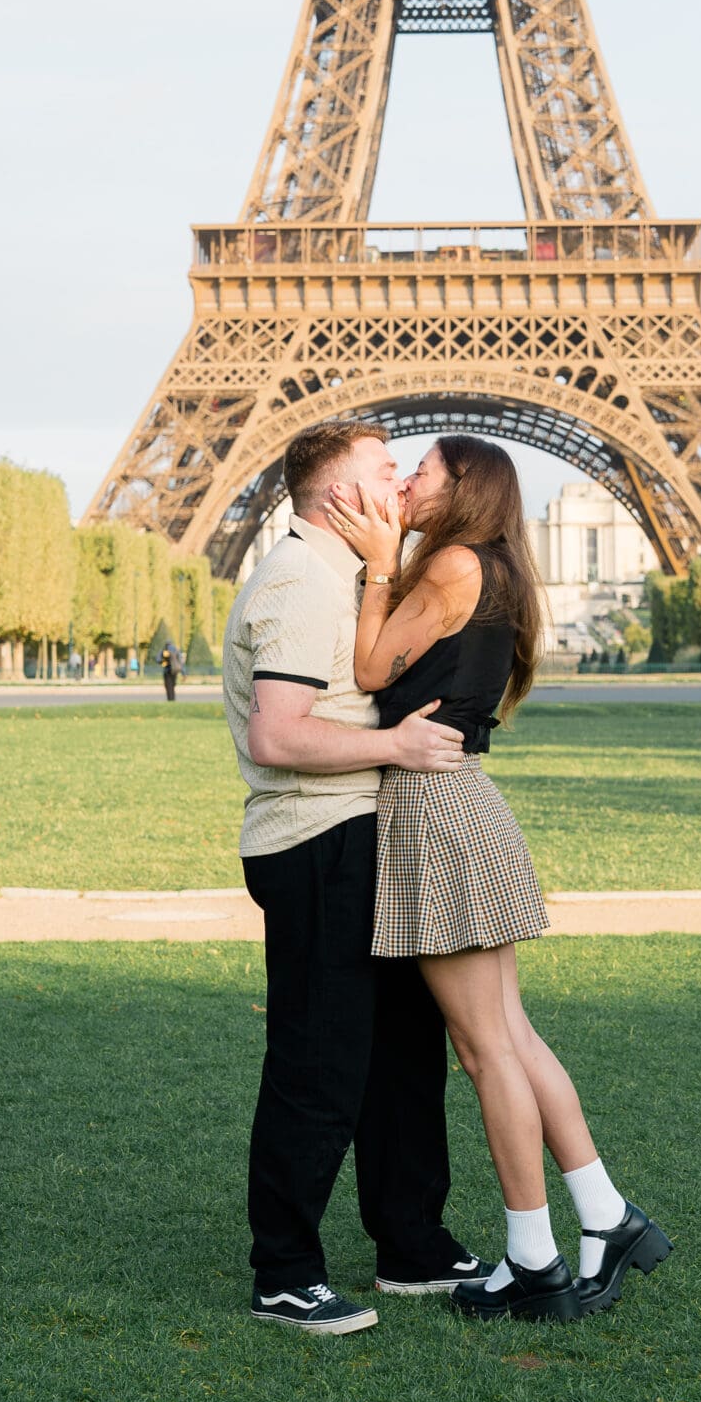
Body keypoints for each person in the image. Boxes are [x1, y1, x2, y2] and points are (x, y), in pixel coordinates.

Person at [329, 436, 673, 1324]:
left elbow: (371, 672)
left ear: (462, 489)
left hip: (431, 809)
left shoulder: (444, 563)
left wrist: (377, 568)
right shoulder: (500, 568)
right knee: (511, 1037)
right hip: (468, 803)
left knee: (485, 1051)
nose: (405, 482)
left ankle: (533, 1259)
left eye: (422, 473)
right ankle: (605, 1216)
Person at [221, 419, 489, 1336]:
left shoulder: (352, 574)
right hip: (317, 839)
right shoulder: (299, 579)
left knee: (402, 1055)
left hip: (362, 832)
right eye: (387, 470)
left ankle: (411, 1243)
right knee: (319, 1059)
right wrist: (396, 744)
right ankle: (284, 1273)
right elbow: (277, 733)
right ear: (341, 495)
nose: (404, 484)